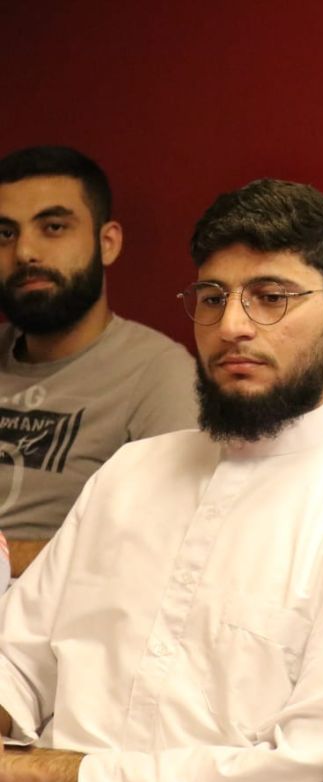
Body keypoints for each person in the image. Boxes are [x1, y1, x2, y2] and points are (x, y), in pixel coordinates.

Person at [0, 179, 323, 782]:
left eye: (271, 297)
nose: (233, 326)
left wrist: (42, 773)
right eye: (212, 298)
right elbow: (19, 653)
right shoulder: (131, 473)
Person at [0, 146, 197, 576]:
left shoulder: (159, 373)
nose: (25, 252)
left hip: (55, 607)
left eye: (53, 227)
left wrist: (10, 557)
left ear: (107, 243)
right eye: (5, 234)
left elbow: (166, 542)